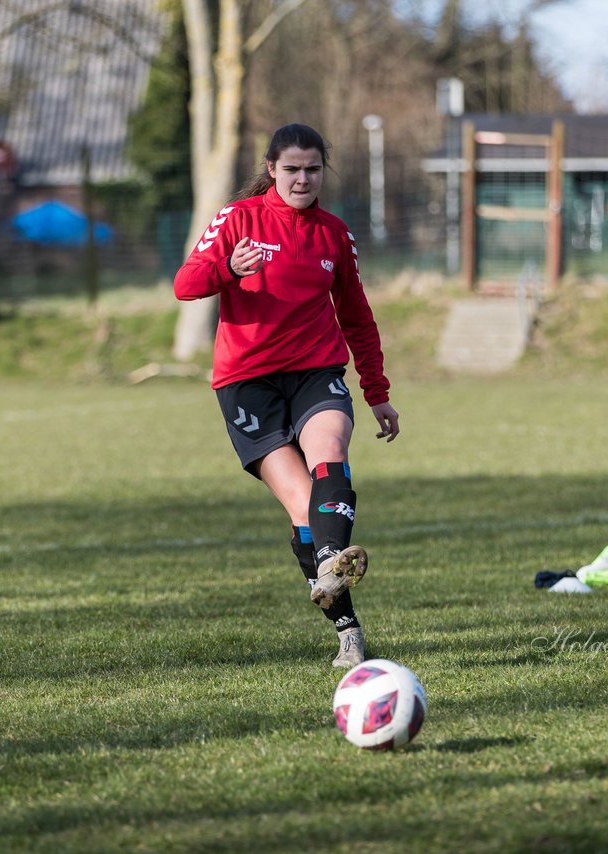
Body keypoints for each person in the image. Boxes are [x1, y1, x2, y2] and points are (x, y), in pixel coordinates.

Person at [174, 123, 400, 668]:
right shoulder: (238, 220)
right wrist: (228, 269)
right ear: (271, 169)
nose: (303, 179)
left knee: (331, 453)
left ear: (324, 171)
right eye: (292, 169)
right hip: (247, 383)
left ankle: (329, 563)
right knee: (304, 508)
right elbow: (185, 284)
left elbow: (357, 318)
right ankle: (347, 628)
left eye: (313, 169)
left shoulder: (333, 234)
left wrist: (377, 390)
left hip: (315, 372)